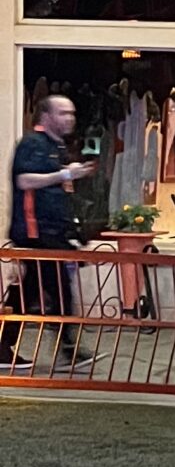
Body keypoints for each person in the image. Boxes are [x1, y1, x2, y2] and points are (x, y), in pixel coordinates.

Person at [10, 94, 95, 365]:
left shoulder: (56, 147)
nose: (69, 118)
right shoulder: (33, 143)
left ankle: (5, 343)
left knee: (31, 289)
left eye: (71, 113)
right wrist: (65, 174)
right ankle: (68, 347)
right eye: (62, 113)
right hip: (36, 230)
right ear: (46, 116)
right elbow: (24, 180)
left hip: (49, 230)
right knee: (57, 286)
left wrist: (71, 228)